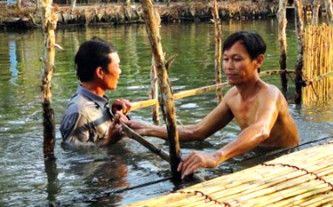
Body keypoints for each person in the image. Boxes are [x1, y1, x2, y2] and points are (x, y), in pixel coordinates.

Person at [122, 31, 300, 177]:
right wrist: (148, 129)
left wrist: (216, 156)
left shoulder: (270, 94)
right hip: (253, 154)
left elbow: (261, 130)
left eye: (237, 59)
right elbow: (198, 131)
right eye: (226, 59)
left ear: (258, 61)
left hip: (287, 158)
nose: (229, 66)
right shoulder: (232, 96)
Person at [60, 38, 132, 149]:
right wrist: (109, 142)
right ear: (100, 72)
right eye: (117, 66)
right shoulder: (80, 111)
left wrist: (116, 115)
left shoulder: (97, 102)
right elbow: (74, 157)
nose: (120, 71)